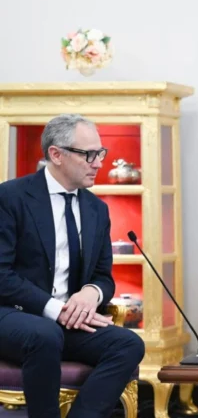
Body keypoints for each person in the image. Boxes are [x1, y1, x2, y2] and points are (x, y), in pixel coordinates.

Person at [0, 114, 145, 418]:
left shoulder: (96, 209)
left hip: (65, 323)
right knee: (44, 334)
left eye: (100, 153)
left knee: (128, 344)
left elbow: (103, 276)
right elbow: (2, 275)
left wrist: (92, 293)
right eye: (89, 154)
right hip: (13, 316)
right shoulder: (10, 197)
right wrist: (57, 309)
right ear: (56, 154)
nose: (99, 162)